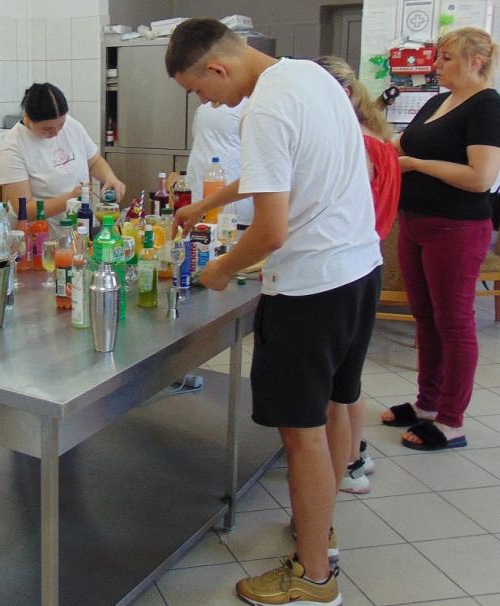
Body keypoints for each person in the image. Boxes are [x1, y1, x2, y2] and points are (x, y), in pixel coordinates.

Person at [167, 19, 382, 606]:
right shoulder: (309, 76)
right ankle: (322, 529)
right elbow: (280, 172)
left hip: (311, 290)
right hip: (359, 269)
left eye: (197, 90)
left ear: (216, 68)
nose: (203, 101)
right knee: (337, 406)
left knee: (300, 434)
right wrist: (210, 201)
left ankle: (314, 577)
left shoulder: (260, 111)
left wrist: (217, 271)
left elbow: (270, 230)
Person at [379, 28, 500, 451]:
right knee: (426, 318)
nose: (436, 65)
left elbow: (481, 178)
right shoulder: (437, 101)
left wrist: (417, 164)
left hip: (456, 227)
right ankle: (427, 404)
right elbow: (396, 144)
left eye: (446, 58)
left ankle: (452, 421)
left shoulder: (488, 105)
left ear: (476, 61)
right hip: (417, 223)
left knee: (453, 322)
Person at [317, 55, 401, 494]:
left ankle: (346, 463)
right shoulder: (381, 138)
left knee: (336, 385)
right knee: (349, 380)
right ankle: (356, 452)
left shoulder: (357, 145)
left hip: (347, 267)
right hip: (368, 261)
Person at [0, 83, 126, 234]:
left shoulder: (72, 125)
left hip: (78, 231)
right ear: (29, 118)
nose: (56, 133)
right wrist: (69, 199)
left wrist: (110, 178)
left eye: (61, 125)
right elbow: (24, 209)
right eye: (47, 129)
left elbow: (94, 161)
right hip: (39, 238)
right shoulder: (13, 147)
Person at [187, 99, 254, 228]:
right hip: (233, 203)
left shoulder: (203, 109)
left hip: (200, 199)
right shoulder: (249, 107)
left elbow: (195, 136)